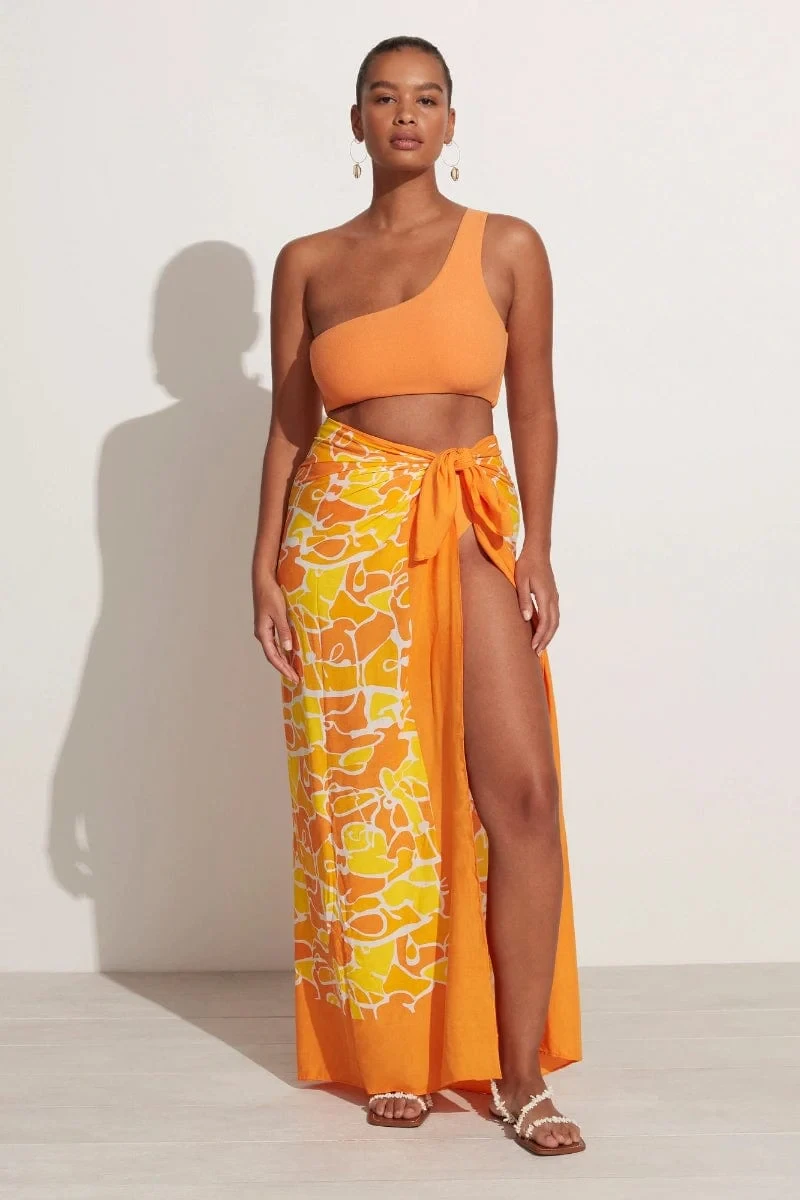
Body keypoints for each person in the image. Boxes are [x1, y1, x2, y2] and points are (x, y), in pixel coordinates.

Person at [251, 34, 585, 1157]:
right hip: (340, 538)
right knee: (370, 800)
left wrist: (538, 547)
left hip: (468, 514)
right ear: (356, 122)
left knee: (522, 793)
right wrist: (262, 563)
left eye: (427, 98)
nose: (406, 114)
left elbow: (533, 404)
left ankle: (520, 1075)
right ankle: (394, 1057)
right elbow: (290, 423)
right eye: (384, 98)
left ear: (450, 121)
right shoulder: (308, 261)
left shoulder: (508, 245)